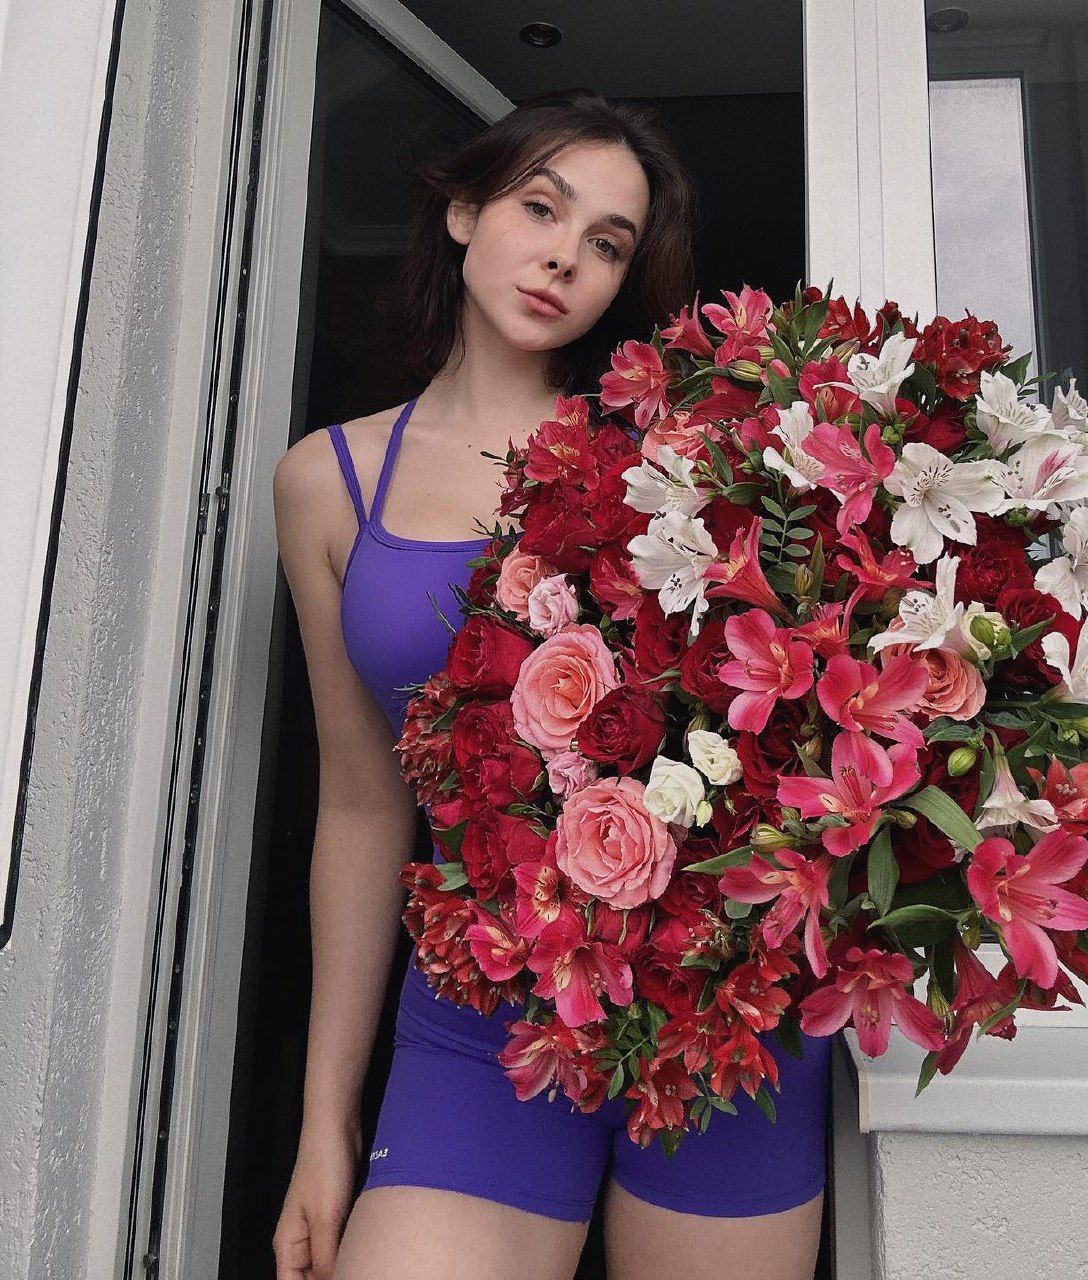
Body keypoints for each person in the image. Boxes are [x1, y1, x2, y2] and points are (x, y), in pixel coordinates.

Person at [271, 88, 831, 1280]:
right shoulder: (327, 481)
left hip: (708, 1008)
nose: (564, 256)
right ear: (464, 211)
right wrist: (324, 1119)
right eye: (540, 207)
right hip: (481, 1019)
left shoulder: (670, 460)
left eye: (606, 243)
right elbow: (362, 803)